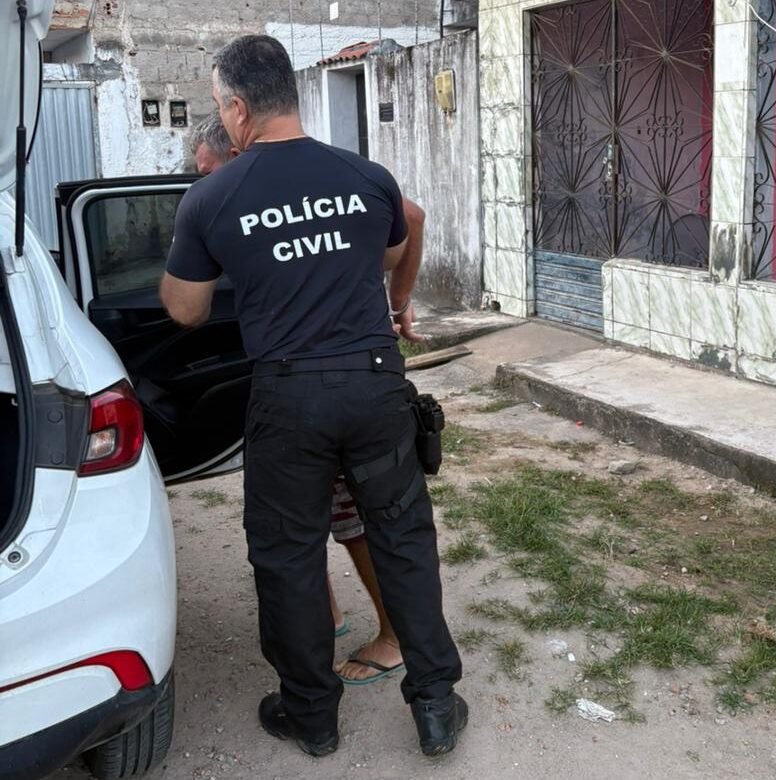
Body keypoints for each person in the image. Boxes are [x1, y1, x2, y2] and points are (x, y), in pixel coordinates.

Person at [160, 34, 466, 758]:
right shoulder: (365, 176)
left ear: (238, 109)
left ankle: (312, 717)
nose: (222, 117)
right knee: (403, 539)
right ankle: (434, 704)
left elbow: (186, 311)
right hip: (374, 384)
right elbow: (397, 239)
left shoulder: (212, 197)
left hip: (288, 395)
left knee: (288, 554)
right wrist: (396, 303)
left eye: (220, 106)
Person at [187, 112, 422, 686]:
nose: (202, 185)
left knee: (354, 512)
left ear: (237, 147)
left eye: (206, 171)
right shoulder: (246, 200)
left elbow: (411, 217)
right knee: (296, 513)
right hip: (294, 380)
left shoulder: (278, 188)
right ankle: (327, 615)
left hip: (336, 378)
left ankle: (396, 637)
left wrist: (399, 304)